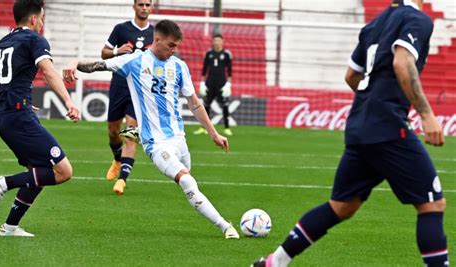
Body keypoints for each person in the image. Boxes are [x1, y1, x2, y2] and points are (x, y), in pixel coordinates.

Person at [253, 0, 449, 266]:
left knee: (342, 206)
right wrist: (426, 114)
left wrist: (375, 100)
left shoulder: (375, 24)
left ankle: (273, 262)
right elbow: (402, 63)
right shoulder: (418, 19)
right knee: (431, 205)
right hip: (388, 127)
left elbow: (351, 76)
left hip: (359, 126)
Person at [63, 19, 240, 239]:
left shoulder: (179, 66)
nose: (175, 50)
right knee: (186, 180)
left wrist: (214, 132)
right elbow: (98, 65)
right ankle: (225, 226)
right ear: (157, 40)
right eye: (171, 45)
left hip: (179, 139)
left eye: (176, 46)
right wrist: (74, 62)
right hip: (155, 143)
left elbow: (194, 103)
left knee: (189, 181)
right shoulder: (134, 61)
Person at [0, 0, 80, 237]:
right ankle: (3, 183)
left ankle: (9, 228)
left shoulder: (1, 43)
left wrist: (19, 99)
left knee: (38, 172)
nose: (41, 22)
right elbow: (48, 72)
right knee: (63, 171)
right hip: (19, 117)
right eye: (42, 17)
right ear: (33, 18)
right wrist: (69, 102)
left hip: (7, 117)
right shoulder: (34, 40)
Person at [101, 0, 154, 195]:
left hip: (140, 90)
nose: (144, 8)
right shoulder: (121, 29)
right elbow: (104, 53)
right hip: (119, 86)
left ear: (151, 7)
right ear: (134, 6)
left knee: (131, 133)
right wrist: (117, 51)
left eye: (148, 4)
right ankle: (117, 159)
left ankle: (122, 179)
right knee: (113, 132)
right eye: (141, 4)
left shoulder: (155, 34)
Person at [194, 33, 233, 136]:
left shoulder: (226, 54)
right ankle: (203, 128)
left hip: (222, 84)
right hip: (210, 83)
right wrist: (202, 83)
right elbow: (204, 69)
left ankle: (227, 128)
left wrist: (228, 84)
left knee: (225, 106)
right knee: (205, 106)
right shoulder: (209, 54)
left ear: (222, 42)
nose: (217, 42)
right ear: (213, 42)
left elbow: (229, 71)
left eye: (219, 40)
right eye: (215, 40)